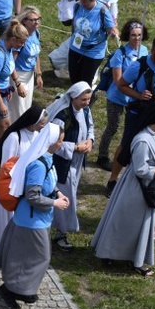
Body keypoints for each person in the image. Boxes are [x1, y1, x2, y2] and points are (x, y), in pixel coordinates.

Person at [91, 103, 155, 276]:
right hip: (136, 190)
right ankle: (112, 253)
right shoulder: (142, 140)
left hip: (145, 187)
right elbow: (141, 170)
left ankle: (133, 258)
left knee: (138, 225)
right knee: (125, 223)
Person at [0, 123, 67, 309]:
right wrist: (55, 203)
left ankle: (22, 288)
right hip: (31, 220)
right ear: (51, 142)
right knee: (38, 256)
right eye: (60, 140)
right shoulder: (38, 164)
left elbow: (49, 184)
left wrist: (58, 194)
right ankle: (10, 289)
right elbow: (32, 195)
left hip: (38, 219)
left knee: (30, 256)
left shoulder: (47, 159)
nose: (62, 144)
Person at [106, 35, 155, 196]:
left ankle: (150, 181)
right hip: (138, 113)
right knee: (126, 145)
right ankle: (113, 179)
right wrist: (139, 95)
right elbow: (121, 85)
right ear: (153, 50)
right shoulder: (138, 66)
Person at [0, 103, 49, 260]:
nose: (43, 127)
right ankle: (0, 250)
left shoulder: (37, 136)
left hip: (27, 185)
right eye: (42, 123)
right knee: (6, 219)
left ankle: (16, 250)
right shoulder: (14, 137)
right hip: (11, 186)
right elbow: (6, 165)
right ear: (32, 122)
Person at [46, 82, 94, 251]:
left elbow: (90, 127)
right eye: (83, 99)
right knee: (64, 197)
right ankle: (59, 232)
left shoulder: (85, 110)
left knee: (70, 195)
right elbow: (53, 142)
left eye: (88, 99)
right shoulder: (63, 116)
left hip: (76, 162)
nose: (87, 103)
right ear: (73, 98)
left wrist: (89, 141)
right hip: (62, 164)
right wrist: (74, 148)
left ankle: (59, 231)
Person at [97, 19, 150, 170]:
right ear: (128, 35)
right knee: (113, 127)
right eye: (133, 35)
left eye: (139, 35)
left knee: (133, 129)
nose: (137, 38)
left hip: (134, 99)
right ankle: (102, 156)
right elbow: (118, 80)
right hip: (117, 98)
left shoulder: (145, 51)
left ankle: (130, 156)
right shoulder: (120, 54)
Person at [68, 0, 118, 85]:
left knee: (85, 82)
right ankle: (73, 100)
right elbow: (74, 23)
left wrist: (113, 33)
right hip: (76, 47)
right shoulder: (77, 6)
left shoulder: (102, 10)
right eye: (81, 0)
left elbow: (111, 28)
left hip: (93, 52)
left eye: (85, 2)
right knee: (74, 80)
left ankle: (86, 99)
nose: (83, 3)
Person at [8, 7, 44, 122]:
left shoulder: (36, 34)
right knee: (18, 111)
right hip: (18, 75)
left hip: (29, 76)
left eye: (38, 19)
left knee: (26, 108)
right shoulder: (21, 37)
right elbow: (11, 62)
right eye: (33, 20)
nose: (36, 22)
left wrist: (38, 74)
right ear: (24, 21)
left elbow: (36, 55)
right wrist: (17, 83)